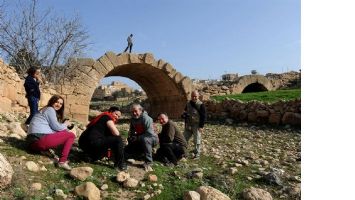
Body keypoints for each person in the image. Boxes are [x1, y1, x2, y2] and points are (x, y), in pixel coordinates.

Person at [26, 95, 75, 170]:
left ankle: (50, 152)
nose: (58, 105)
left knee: (64, 132)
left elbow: (53, 129)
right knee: (71, 135)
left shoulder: (44, 109)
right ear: (52, 101)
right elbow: (57, 127)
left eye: (61, 104)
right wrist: (66, 124)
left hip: (32, 144)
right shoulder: (50, 109)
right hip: (38, 141)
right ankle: (62, 162)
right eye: (56, 102)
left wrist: (64, 128)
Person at [125, 104, 158, 172]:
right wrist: (131, 137)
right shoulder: (133, 119)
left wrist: (137, 138)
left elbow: (149, 133)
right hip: (141, 137)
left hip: (152, 138)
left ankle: (149, 161)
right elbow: (132, 131)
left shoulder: (146, 118)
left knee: (145, 140)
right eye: (132, 112)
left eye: (136, 111)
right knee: (131, 140)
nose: (134, 113)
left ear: (140, 110)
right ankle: (137, 155)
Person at [182, 90, 207, 159]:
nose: (194, 98)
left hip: (196, 125)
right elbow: (184, 112)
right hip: (188, 124)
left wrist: (201, 126)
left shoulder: (201, 105)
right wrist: (184, 115)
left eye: (195, 96)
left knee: (197, 140)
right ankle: (183, 152)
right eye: (192, 96)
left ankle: (197, 154)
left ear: (198, 96)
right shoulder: (188, 104)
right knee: (183, 138)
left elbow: (203, 116)